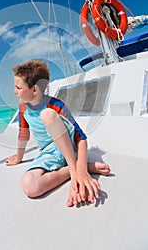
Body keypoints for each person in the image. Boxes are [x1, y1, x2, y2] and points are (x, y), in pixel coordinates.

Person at [6, 59, 110, 207]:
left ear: (34, 90)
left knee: (47, 115)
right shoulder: (23, 108)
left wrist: (78, 171)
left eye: (18, 87)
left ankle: (75, 170)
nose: (14, 91)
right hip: (50, 152)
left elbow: (81, 138)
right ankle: (76, 168)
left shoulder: (55, 105)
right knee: (30, 186)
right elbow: (24, 135)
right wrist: (18, 158)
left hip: (69, 147)